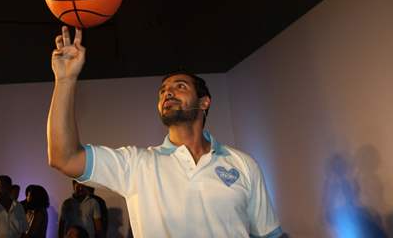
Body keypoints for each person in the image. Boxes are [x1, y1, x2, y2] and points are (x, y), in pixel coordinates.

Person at [47, 26, 283, 237]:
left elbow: (269, 234)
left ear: (204, 102)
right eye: (162, 91)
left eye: (180, 87)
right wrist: (65, 80)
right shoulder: (136, 164)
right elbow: (64, 157)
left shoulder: (243, 164)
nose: (167, 93)